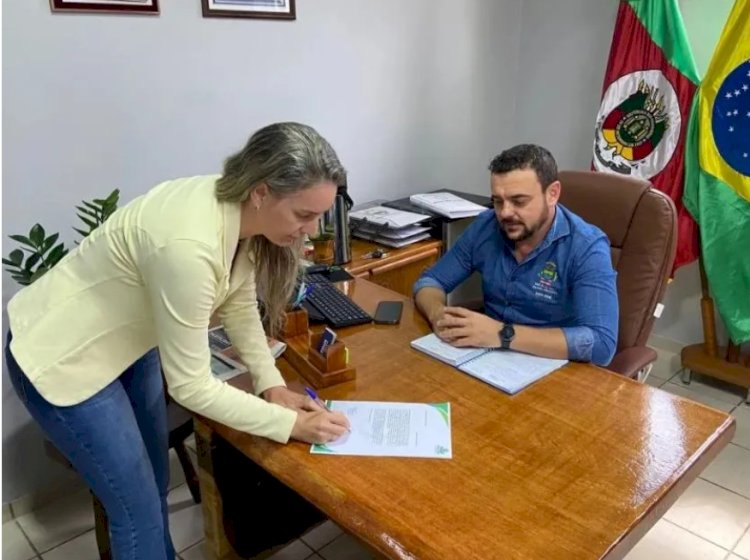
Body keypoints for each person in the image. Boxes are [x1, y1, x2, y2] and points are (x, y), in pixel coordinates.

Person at [4, 122, 351, 560]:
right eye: (303, 215)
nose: (312, 230)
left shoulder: (236, 207)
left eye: (319, 215)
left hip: (128, 342)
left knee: (152, 483)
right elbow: (190, 387)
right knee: (138, 510)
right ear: (262, 192)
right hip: (65, 355)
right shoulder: (189, 245)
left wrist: (273, 386)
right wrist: (291, 425)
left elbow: (238, 302)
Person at [413, 144, 618, 366]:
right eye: (497, 201)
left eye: (519, 201)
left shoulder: (586, 246)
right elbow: (430, 281)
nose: (504, 213)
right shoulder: (486, 226)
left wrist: (503, 334)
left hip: (553, 366)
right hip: (487, 358)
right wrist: (438, 315)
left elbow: (601, 344)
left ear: (552, 194)